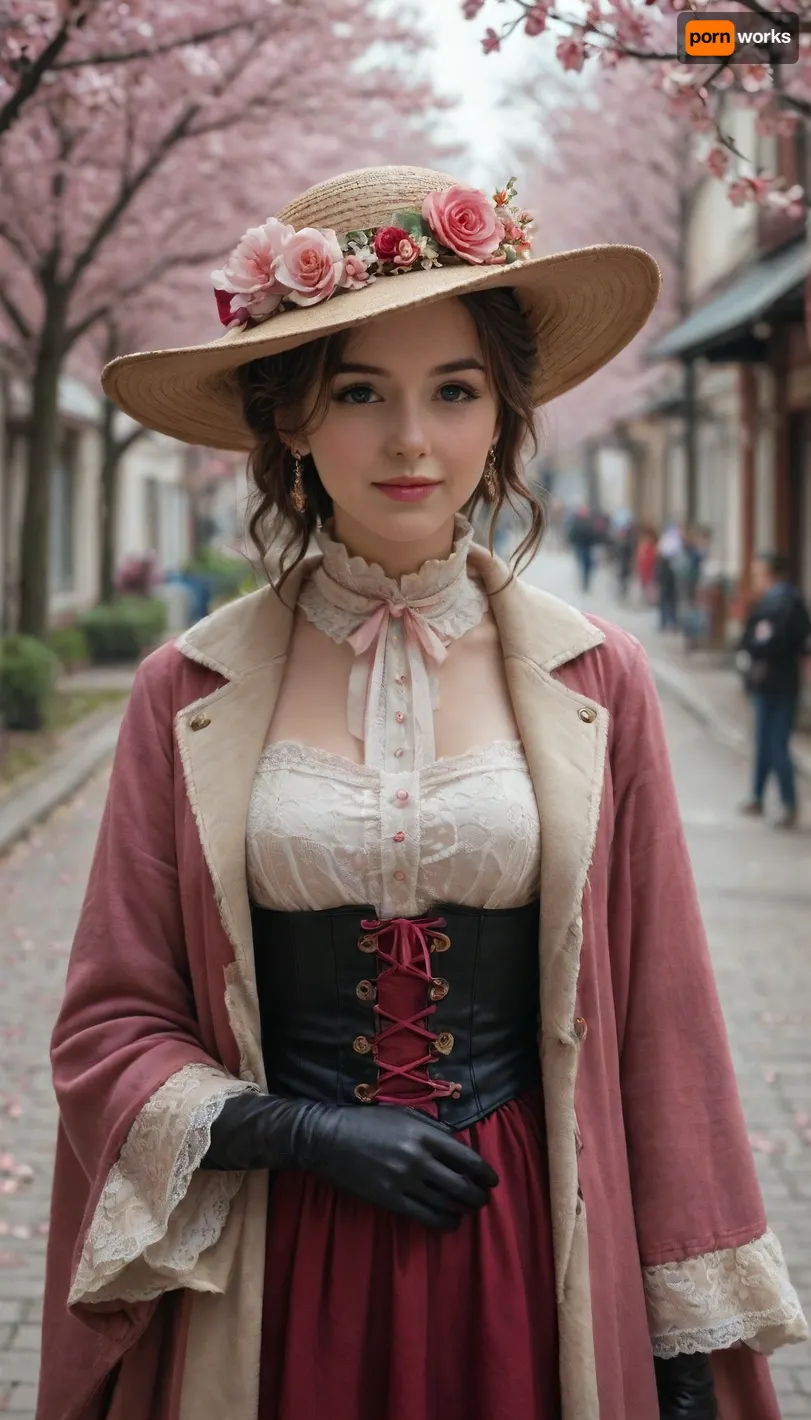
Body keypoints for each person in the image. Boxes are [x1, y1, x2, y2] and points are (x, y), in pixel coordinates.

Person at [38, 166, 806, 1420]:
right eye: (359, 392)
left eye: (456, 391)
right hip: (276, 1267)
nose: (412, 440)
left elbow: (664, 1032)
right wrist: (295, 1130)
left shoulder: (598, 681)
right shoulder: (184, 692)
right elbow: (105, 1027)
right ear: (290, 417)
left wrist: (682, 1352)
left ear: (502, 415)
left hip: (534, 1251)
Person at [739, 552, 811, 829]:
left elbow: (766, 641)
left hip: (778, 683)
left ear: (770, 574)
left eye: (758, 573)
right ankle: (757, 796)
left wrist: (754, 651)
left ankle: (789, 803)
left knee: (776, 743)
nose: (755, 579)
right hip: (770, 682)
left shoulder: (782, 604)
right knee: (763, 740)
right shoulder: (781, 602)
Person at [566, 503, 600, 591]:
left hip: (587, 546)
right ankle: (584, 581)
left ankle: (586, 581)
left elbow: (594, 533)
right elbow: (573, 532)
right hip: (581, 546)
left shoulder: (589, 521)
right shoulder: (577, 521)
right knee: (583, 563)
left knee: (587, 565)